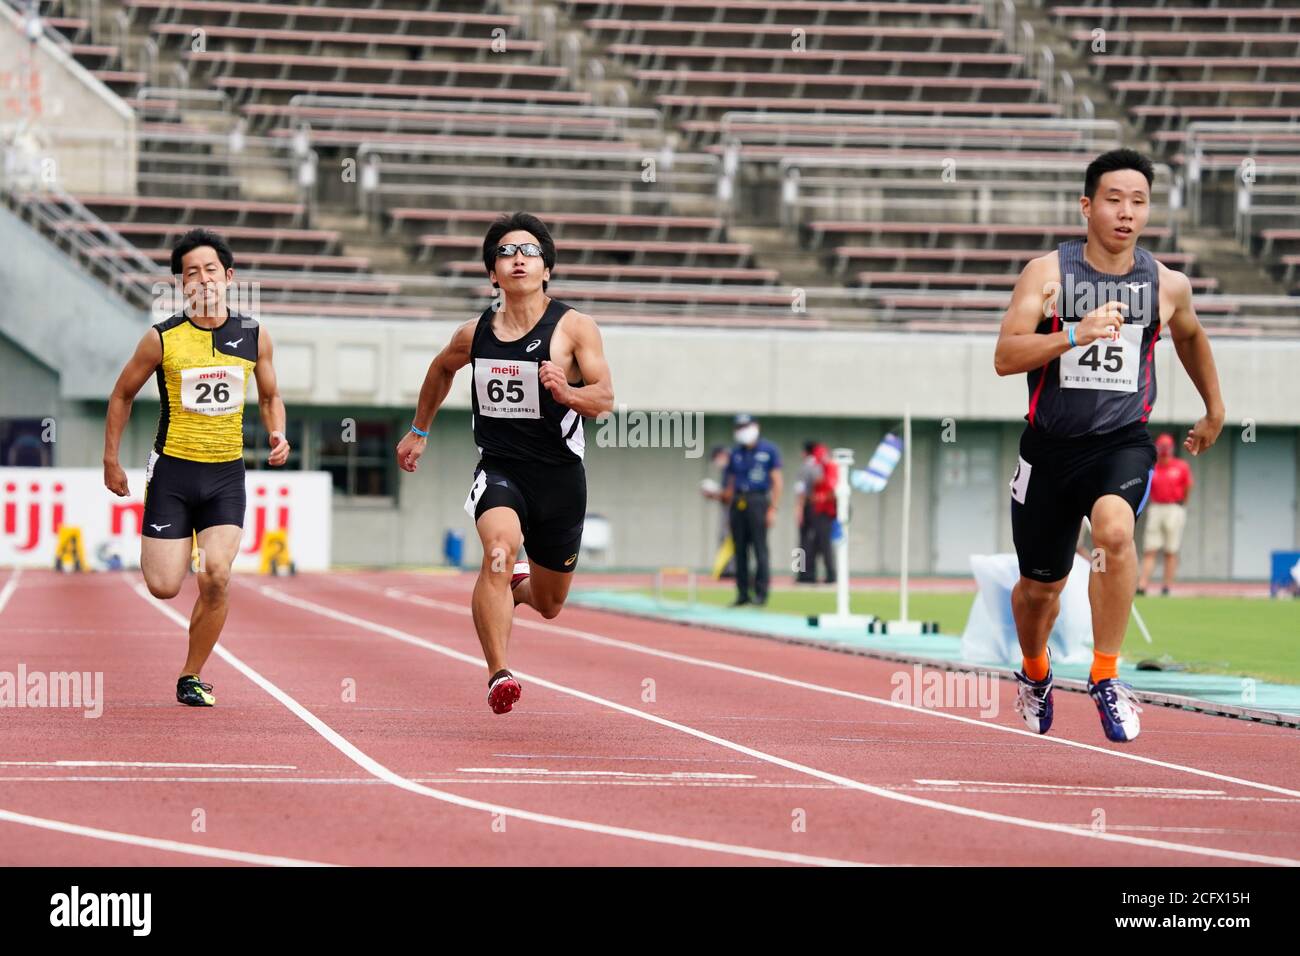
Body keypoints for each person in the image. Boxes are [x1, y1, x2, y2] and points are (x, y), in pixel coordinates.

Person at [994, 148, 1224, 743]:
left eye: (1139, 202)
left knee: (1115, 532)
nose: (1126, 212)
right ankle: (1037, 670)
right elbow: (1005, 356)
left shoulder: (1166, 284)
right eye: (1115, 199)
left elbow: (1192, 337)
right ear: (1087, 205)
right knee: (1039, 591)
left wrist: (1214, 407)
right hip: (1048, 449)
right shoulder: (1046, 274)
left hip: (1121, 443)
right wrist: (1074, 332)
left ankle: (1106, 676)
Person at [394, 212, 614, 715]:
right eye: (506, 252)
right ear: (492, 273)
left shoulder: (575, 328)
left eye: (530, 252)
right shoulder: (475, 334)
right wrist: (419, 430)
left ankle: (519, 587)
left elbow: (604, 398)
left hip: (559, 479)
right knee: (498, 548)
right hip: (500, 470)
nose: (518, 259)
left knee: (551, 603)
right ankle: (499, 673)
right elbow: (441, 369)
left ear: (547, 270)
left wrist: (567, 392)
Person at [103, 228, 290, 707]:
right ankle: (177, 541)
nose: (202, 280)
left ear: (228, 277)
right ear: (180, 284)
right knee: (164, 586)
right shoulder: (161, 339)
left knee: (216, 575)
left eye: (210, 270)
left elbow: (270, 395)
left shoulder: (254, 335)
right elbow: (122, 394)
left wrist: (277, 432)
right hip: (173, 472)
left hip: (226, 474)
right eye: (191, 273)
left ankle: (192, 674)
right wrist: (111, 458)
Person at [721, 414, 782, 607]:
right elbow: (729, 485)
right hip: (739, 502)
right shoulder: (735, 453)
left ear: (755, 427)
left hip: (758, 501)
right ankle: (742, 593)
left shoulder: (769, 450)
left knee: (760, 549)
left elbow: (777, 481)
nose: (742, 431)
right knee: (740, 550)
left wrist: (772, 508)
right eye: (739, 427)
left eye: (746, 426)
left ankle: (761, 593)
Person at [1137, 433, 1193, 596]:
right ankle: (1143, 584)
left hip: (1174, 508)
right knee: (1150, 549)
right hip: (1156, 508)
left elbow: (1188, 486)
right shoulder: (1152, 467)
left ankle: (1167, 585)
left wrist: (1182, 505)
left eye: (1166, 448)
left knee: (1171, 549)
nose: (1164, 452)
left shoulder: (1181, 466)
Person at [794, 441, 836, 584]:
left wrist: (798, 508)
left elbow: (800, 491)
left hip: (811, 506)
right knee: (820, 542)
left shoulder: (806, 467)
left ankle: (802, 574)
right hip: (822, 508)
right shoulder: (824, 466)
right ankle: (825, 573)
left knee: (803, 544)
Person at [699, 444, 735, 578]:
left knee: (731, 541)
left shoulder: (732, 468)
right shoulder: (727, 470)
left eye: (716, 458)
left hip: (736, 511)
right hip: (728, 510)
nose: (716, 462)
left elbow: (730, 494)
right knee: (725, 540)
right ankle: (726, 570)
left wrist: (714, 493)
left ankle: (731, 571)